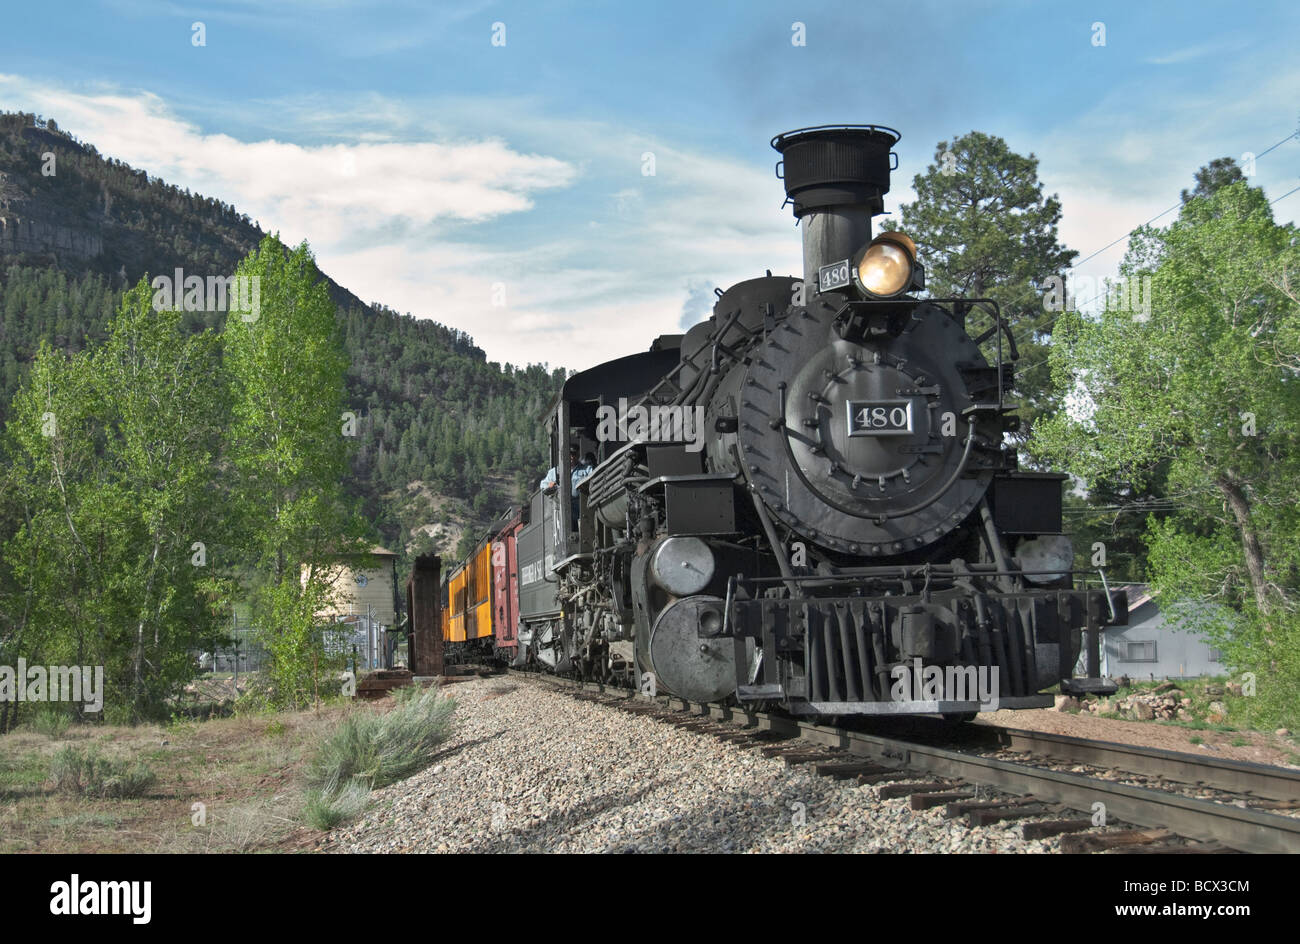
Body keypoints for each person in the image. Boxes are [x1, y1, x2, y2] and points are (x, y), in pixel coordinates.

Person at [570, 452, 596, 529]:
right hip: (569, 506)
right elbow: (544, 484)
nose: (572, 457)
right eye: (570, 455)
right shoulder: (556, 471)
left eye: (574, 454)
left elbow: (593, 478)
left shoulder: (586, 469)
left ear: (578, 455)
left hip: (583, 502)